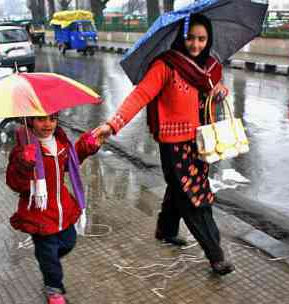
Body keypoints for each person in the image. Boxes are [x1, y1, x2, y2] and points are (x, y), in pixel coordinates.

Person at [93, 14, 235, 276]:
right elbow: (139, 96)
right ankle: (216, 255)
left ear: (209, 39)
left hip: (201, 142)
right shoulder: (165, 65)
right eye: (190, 38)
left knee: (178, 189)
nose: (195, 44)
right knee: (194, 196)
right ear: (181, 37)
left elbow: (212, 93)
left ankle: (166, 230)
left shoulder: (211, 68)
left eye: (202, 39)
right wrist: (112, 125)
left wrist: (220, 91)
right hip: (174, 145)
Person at [6, 114, 100, 304]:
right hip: (39, 213)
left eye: (52, 118)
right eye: (41, 119)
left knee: (68, 242)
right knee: (50, 258)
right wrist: (25, 164)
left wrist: (86, 146)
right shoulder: (23, 149)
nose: (48, 124)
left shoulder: (60, 142)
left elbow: (69, 163)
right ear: (30, 120)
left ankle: (47, 259)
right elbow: (14, 183)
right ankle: (53, 287)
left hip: (61, 209)